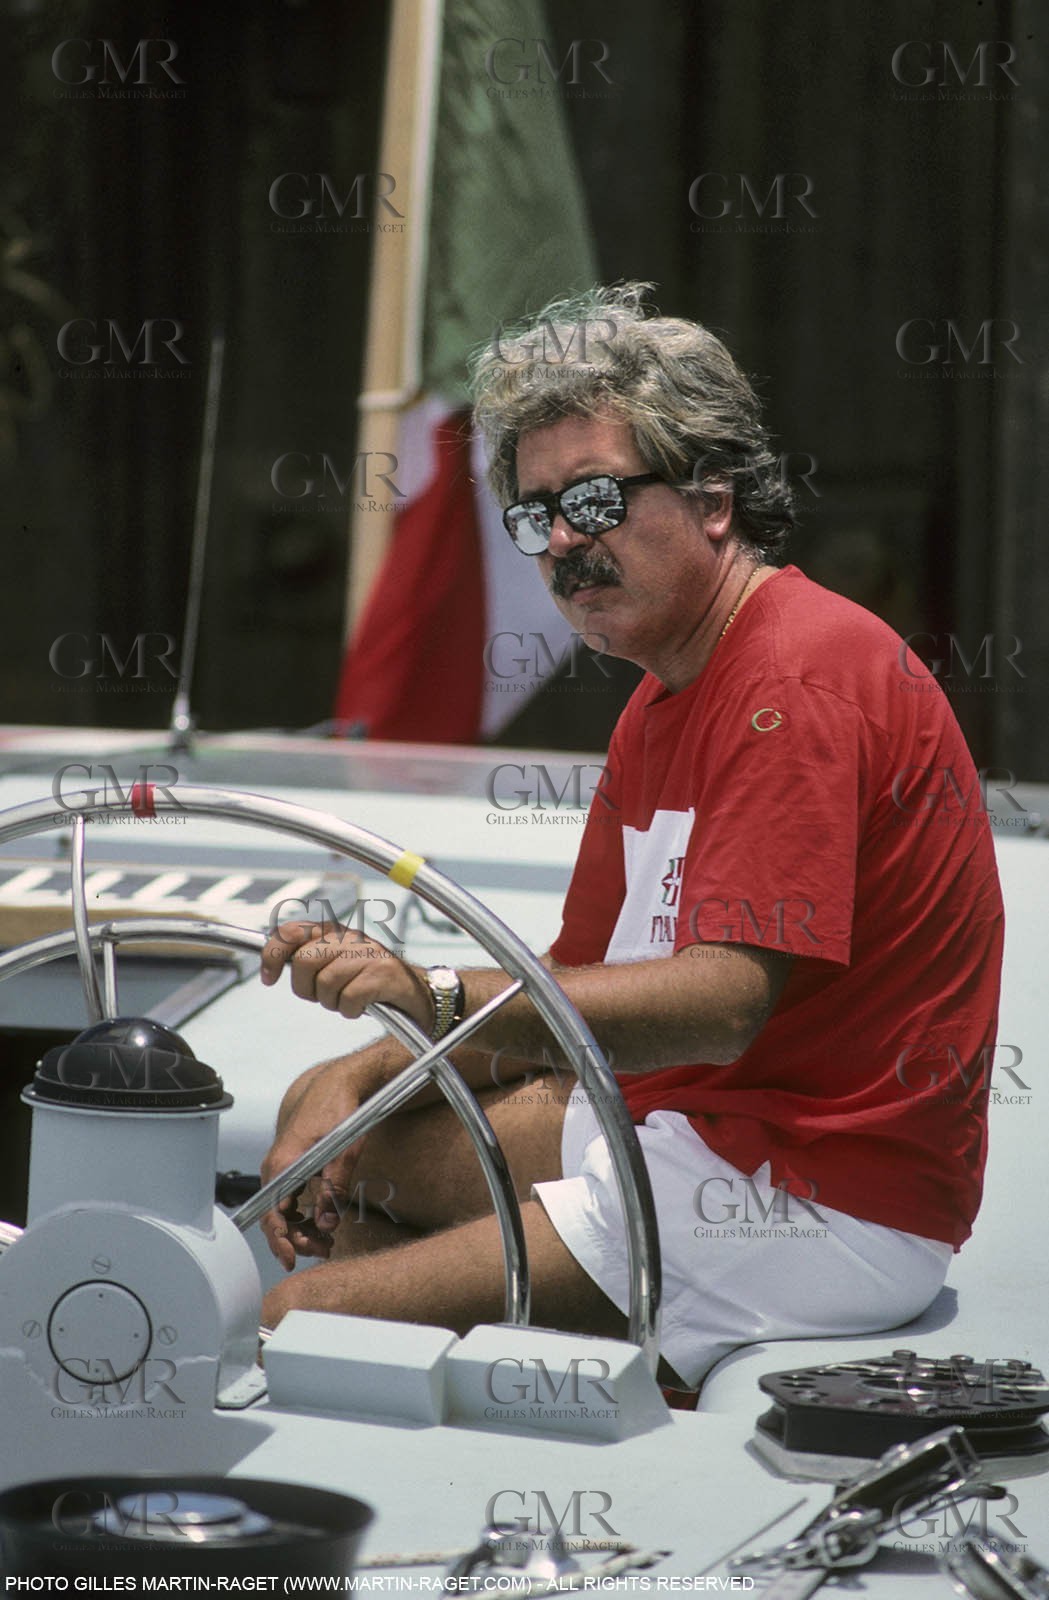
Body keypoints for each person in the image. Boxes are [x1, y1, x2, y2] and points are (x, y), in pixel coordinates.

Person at [257, 283, 1004, 1388]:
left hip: (818, 1202)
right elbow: (572, 982)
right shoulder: (662, 698)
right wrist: (363, 1068)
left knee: (294, 1315)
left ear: (711, 497)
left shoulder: (793, 682)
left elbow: (719, 1002)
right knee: (350, 1145)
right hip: (687, 1137)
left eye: (595, 499)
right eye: (535, 513)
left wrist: (433, 998)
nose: (560, 541)